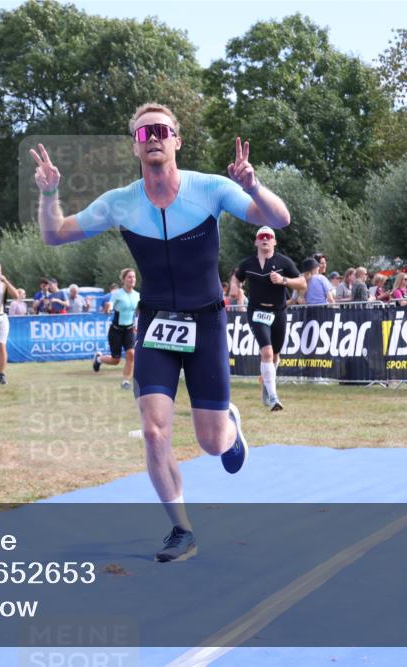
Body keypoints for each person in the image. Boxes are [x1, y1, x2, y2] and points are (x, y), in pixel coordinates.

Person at [30, 102, 291, 562]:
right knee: (154, 432)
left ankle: (230, 426)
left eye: (161, 130)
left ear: (176, 140)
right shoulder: (120, 201)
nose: (153, 137)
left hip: (207, 322)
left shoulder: (210, 189)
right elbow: (55, 235)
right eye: (144, 132)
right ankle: (180, 529)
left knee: (211, 444)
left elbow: (279, 219)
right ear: (135, 145)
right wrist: (50, 195)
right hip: (156, 325)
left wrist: (253, 185)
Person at [234, 227, 304, 411]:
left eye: (269, 237)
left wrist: (283, 280)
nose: (265, 239)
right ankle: (274, 398)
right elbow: (237, 277)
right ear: (256, 242)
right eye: (261, 237)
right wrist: (236, 288)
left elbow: (303, 283)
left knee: (275, 355)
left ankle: (267, 385)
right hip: (256, 312)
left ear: (274, 242)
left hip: (278, 312)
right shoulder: (248, 263)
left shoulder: (283, 262)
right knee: (266, 352)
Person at [93, 267, 141, 390]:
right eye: (129, 277)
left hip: (129, 330)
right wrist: (108, 309)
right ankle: (99, 358)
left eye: (134, 277)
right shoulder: (117, 294)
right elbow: (110, 305)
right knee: (116, 360)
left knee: (131, 354)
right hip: (116, 331)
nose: (132, 279)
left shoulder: (137, 295)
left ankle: (125, 381)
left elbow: (138, 312)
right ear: (123, 280)